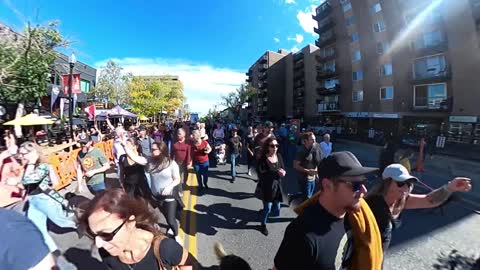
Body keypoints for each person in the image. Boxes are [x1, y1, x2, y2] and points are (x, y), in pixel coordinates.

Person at [274, 151, 379, 270]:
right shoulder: (301, 235)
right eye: (356, 185)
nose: (364, 190)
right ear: (328, 185)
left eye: (364, 182)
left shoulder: (354, 219)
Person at [366, 163, 472, 252]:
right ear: (387, 183)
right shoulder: (372, 204)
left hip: (379, 255)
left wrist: (449, 188)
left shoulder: (401, 201)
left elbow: (429, 200)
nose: (405, 187)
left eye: (408, 183)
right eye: (400, 183)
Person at [78, 189, 196, 270]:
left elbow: (187, 263)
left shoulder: (165, 248)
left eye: (106, 234)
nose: (98, 244)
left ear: (130, 222)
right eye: (94, 235)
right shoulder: (106, 253)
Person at [19, 142, 77, 253]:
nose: (22, 157)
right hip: (34, 199)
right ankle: (53, 251)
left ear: (34, 153)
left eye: (24, 154)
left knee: (63, 221)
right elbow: (26, 184)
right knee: (37, 227)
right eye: (20, 154)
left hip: (44, 198)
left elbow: (28, 180)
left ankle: (86, 225)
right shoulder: (28, 166)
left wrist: (31, 163)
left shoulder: (43, 166)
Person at [122, 141, 183, 241]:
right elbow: (134, 157)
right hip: (156, 196)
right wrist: (124, 145)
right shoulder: (149, 161)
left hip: (169, 197)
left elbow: (177, 179)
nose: (151, 151)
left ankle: (176, 235)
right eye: (151, 149)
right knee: (164, 213)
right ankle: (170, 226)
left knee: (170, 220)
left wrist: (170, 187)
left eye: (154, 149)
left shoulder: (171, 164)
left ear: (162, 150)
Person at [256, 137, 286, 236]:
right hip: (267, 187)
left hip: (277, 187)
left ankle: (263, 212)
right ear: (268, 147)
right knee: (268, 208)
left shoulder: (279, 156)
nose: (275, 148)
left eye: (276, 146)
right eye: (272, 146)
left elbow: (283, 168)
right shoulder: (263, 159)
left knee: (276, 211)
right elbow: (260, 174)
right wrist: (275, 173)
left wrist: (283, 172)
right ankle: (263, 225)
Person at [293, 132, 322, 200]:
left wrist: (317, 175)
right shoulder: (301, 151)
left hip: (313, 177)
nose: (314, 141)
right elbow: (295, 165)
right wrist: (308, 171)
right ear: (305, 141)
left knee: (309, 194)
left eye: (314, 139)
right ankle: (305, 210)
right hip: (304, 178)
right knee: (307, 198)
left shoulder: (316, 147)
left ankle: (292, 196)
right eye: (311, 139)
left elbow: (317, 161)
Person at [171, 128, 192, 196]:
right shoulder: (175, 143)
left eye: (179, 134)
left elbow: (189, 154)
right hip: (177, 163)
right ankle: (180, 190)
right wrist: (171, 162)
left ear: (184, 134)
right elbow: (172, 153)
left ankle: (185, 183)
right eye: (177, 134)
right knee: (178, 177)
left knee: (185, 175)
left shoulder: (187, 143)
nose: (178, 135)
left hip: (185, 162)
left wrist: (188, 163)